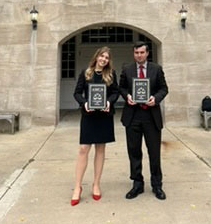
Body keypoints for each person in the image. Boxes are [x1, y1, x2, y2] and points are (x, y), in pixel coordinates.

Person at [119, 41, 168, 200]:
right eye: (136, 53)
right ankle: (137, 184)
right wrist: (127, 97)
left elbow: (164, 88)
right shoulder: (127, 69)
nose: (139, 55)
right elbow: (122, 87)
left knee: (154, 152)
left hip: (151, 116)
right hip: (133, 116)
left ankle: (157, 185)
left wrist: (156, 99)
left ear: (147, 53)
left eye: (141, 52)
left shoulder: (156, 69)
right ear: (133, 54)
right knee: (134, 151)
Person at [71, 46, 119, 206]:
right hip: (89, 116)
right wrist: (84, 103)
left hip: (104, 116)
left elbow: (115, 92)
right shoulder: (86, 73)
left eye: (107, 58)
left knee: (100, 149)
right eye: (102, 56)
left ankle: (96, 184)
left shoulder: (111, 75)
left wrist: (108, 102)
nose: (104, 59)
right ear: (96, 56)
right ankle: (77, 187)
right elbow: (77, 93)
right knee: (83, 149)